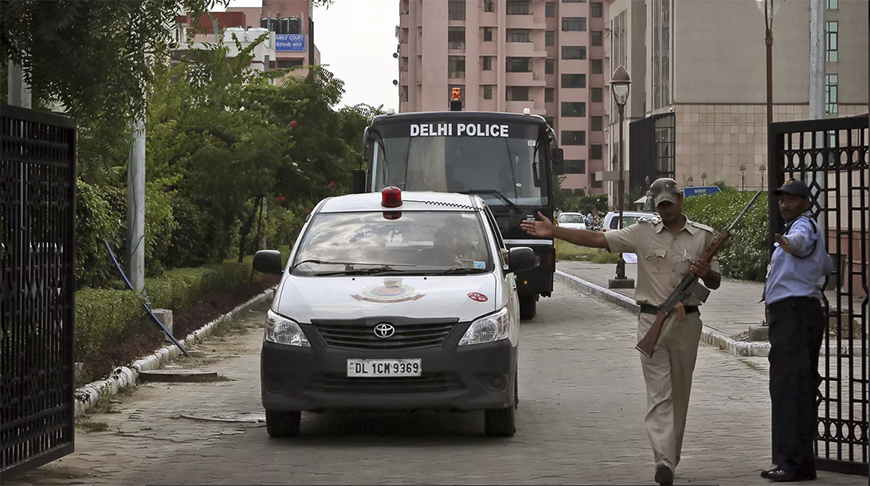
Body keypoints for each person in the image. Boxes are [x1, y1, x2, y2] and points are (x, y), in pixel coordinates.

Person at [521, 178, 721, 485]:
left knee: (679, 394)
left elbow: (715, 281)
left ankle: (670, 454)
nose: (665, 210)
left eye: (669, 203)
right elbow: (598, 239)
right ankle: (664, 461)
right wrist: (555, 231)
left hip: (686, 322)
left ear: (681, 199)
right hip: (651, 319)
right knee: (659, 395)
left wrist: (705, 272)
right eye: (660, 206)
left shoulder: (702, 236)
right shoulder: (642, 233)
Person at [760, 178, 833, 482]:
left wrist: (791, 244)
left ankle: (793, 463)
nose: (784, 204)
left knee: (791, 388)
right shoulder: (800, 228)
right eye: (781, 199)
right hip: (791, 315)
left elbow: (801, 242)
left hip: (796, 315)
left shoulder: (803, 227)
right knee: (793, 388)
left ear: (806, 203)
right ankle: (797, 461)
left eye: (791, 199)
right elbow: (826, 265)